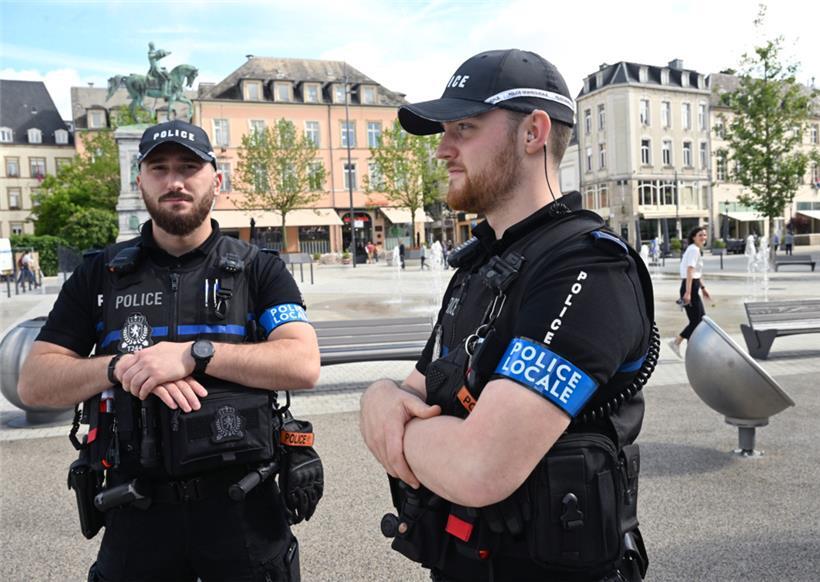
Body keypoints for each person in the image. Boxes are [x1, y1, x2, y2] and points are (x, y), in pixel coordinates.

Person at [360, 49, 654, 582]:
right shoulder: (483, 264)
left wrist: (389, 424)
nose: (442, 149)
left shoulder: (587, 268)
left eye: (464, 128)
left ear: (533, 132)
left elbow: (479, 467)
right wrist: (379, 396)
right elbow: (417, 387)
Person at [18, 120, 321, 582]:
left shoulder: (260, 271)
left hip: (243, 511)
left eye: (189, 167)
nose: (175, 181)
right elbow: (35, 382)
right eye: (159, 168)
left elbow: (302, 363)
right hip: (136, 511)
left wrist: (195, 354)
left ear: (216, 181)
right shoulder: (100, 274)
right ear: (139, 180)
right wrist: (122, 366)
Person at [669, 226, 711, 359]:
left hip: (693, 286)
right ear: (694, 237)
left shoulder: (694, 249)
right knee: (698, 321)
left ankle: (692, 348)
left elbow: (696, 273)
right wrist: (687, 293)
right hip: (690, 288)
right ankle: (676, 342)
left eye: (704, 235)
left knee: (699, 319)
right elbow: (689, 271)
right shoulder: (694, 250)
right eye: (700, 235)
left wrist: (703, 288)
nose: (703, 237)